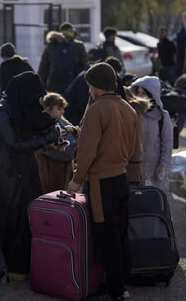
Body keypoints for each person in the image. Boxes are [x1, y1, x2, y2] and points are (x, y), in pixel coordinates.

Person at [66, 62, 138, 301]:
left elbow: (87, 150)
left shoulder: (96, 109)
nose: (88, 89)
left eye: (89, 84)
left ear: (95, 86)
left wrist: (76, 180)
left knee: (106, 235)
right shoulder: (127, 108)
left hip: (100, 182)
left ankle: (116, 289)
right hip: (121, 177)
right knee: (119, 232)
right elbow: (132, 145)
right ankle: (122, 281)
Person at [0, 71, 60, 281]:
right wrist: (47, 138)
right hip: (9, 169)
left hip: (24, 166)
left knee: (27, 212)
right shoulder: (2, 111)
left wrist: (50, 131)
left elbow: (34, 123)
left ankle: (23, 263)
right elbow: (14, 144)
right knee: (12, 216)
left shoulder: (18, 105)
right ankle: (10, 265)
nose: (36, 101)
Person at [130, 76, 174, 193]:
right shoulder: (133, 114)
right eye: (138, 92)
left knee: (155, 203)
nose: (140, 96)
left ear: (152, 94)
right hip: (135, 170)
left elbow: (167, 145)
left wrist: (162, 169)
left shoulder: (163, 117)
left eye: (143, 93)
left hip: (155, 172)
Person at [35, 92, 79, 194]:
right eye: (59, 109)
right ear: (48, 109)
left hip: (65, 169)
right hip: (51, 170)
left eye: (63, 109)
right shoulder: (42, 125)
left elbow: (78, 136)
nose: (62, 112)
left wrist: (73, 130)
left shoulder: (63, 121)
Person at [38, 23, 88, 94]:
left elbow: (43, 68)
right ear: (73, 32)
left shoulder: (52, 44)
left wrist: (41, 86)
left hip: (54, 86)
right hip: (74, 86)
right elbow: (85, 66)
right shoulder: (79, 45)